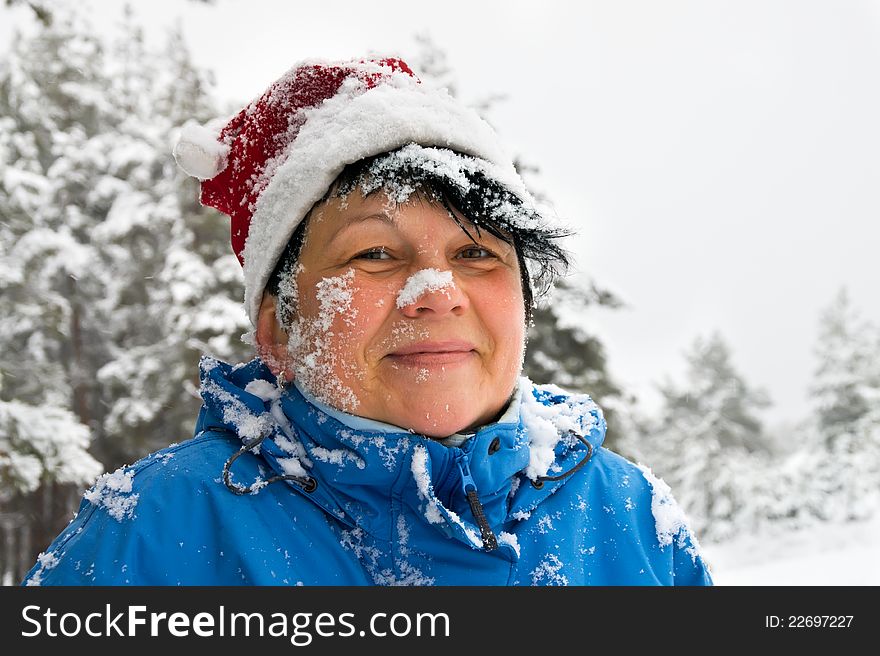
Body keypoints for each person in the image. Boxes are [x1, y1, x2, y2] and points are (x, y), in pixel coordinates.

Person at [22, 56, 713, 586]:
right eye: (375, 253)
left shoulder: (632, 516)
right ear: (277, 329)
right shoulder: (153, 531)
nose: (437, 292)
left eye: (477, 252)